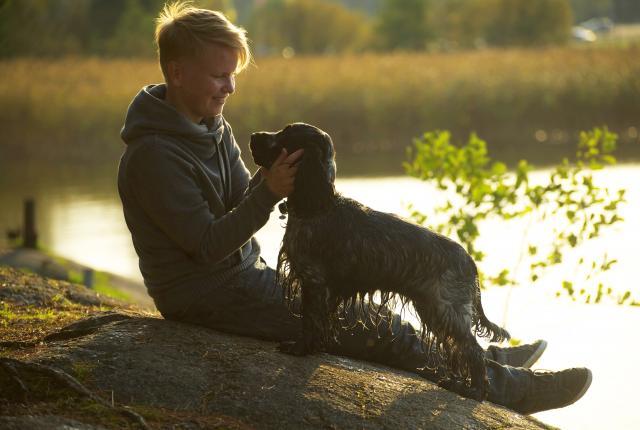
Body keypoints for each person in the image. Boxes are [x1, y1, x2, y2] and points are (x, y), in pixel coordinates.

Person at [117, 2, 592, 415]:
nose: (230, 87)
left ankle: (479, 362)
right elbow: (205, 247)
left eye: (233, 75)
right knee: (371, 325)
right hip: (205, 293)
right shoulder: (154, 156)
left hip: (240, 274)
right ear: (177, 73)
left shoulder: (210, 124)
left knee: (372, 309)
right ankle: (508, 388)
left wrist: (277, 187)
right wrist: (268, 192)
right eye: (219, 75)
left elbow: (241, 199)